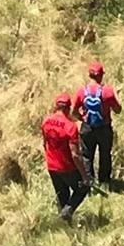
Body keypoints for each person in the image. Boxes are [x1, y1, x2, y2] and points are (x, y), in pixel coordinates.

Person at [41, 93, 91, 221]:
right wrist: (85, 175)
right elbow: (75, 154)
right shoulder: (70, 127)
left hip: (52, 166)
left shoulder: (46, 121)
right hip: (67, 167)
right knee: (82, 188)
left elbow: (44, 143)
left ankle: (64, 223)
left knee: (62, 194)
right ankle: (67, 212)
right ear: (68, 108)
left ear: (56, 106)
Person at [73, 62, 122, 187]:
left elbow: (73, 112)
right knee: (105, 154)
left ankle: (89, 181)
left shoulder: (81, 91)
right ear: (101, 76)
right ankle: (104, 180)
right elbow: (118, 110)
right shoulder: (108, 91)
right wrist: (117, 95)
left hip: (87, 127)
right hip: (104, 128)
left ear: (90, 75)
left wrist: (82, 119)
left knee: (86, 155)